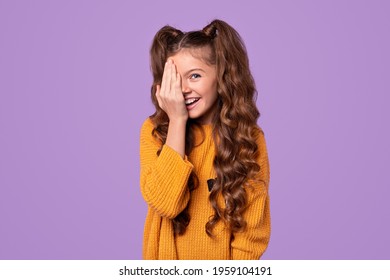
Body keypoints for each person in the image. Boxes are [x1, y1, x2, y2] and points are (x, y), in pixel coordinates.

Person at [139, 19, 270, 260]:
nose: (184, 88)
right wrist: (177, 121)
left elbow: (251, 233)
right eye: (176, 79)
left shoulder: (248, 138)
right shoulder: (154, 132)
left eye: (195, 76)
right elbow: (166, 204)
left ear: (221, 78)